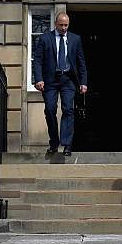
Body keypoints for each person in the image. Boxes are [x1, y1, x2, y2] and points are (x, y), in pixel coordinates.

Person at [33, 12, 87, 157]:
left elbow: (81, 62)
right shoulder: (45, 38)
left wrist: (83, 82)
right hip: (50, 80)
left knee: (68, 109)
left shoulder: (75, 39)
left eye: (66, 25)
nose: (64, 28)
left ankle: (67, 144)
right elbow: (37, 60)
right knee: (50, 110)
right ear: (56, 24)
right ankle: (54, 142)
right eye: (61, 25)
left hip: (68, 80)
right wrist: (38, 79)